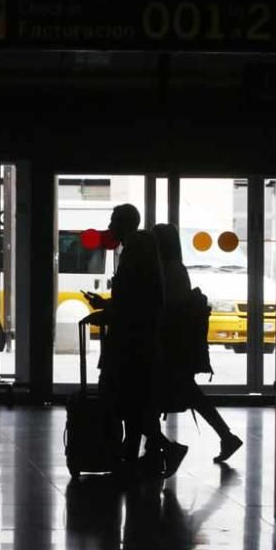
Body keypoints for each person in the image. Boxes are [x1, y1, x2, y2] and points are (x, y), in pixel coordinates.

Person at [85, 204, 188, 479]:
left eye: (114, 221)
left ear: (125, 223)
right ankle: (133, 456)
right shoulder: (141, 249)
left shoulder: (135, 250)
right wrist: (107, 304)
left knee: (123, 399)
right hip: (141, 342)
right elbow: (137, 298)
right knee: (134, 402)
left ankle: (156, 450)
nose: (110, 226)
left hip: (131, 344)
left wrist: (108, 311)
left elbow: (132, 302)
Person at [152, 223, 243, 463]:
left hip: (172, 346)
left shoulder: (169, 271)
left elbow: (167, 308)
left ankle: (159, 446)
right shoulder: (177, 269)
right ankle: (226, 436)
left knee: (164, 394)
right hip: (181, 346)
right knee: (192, 395)